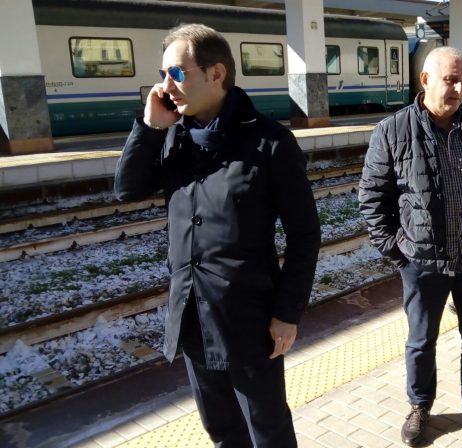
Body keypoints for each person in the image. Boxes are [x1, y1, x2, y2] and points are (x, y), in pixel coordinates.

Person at [114, 24, 321, 447]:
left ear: (216, 73)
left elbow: (304, 233)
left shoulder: (270, 142)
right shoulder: (172, 136)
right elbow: (127, 189)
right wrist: (149, 128)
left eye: (176, 72)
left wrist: (288, 313)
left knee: (268, 430)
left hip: (249, 320)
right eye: (163, 73)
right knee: (221, 430)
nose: (165, 85)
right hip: (190, 311)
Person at [358, 46, 462, 448]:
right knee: (420, 341)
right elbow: (372, 199)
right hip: (423, 263)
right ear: (426, 80)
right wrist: (398, 251)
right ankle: (420, 405)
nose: (459, 87)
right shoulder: (392, 131)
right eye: (451, 79)